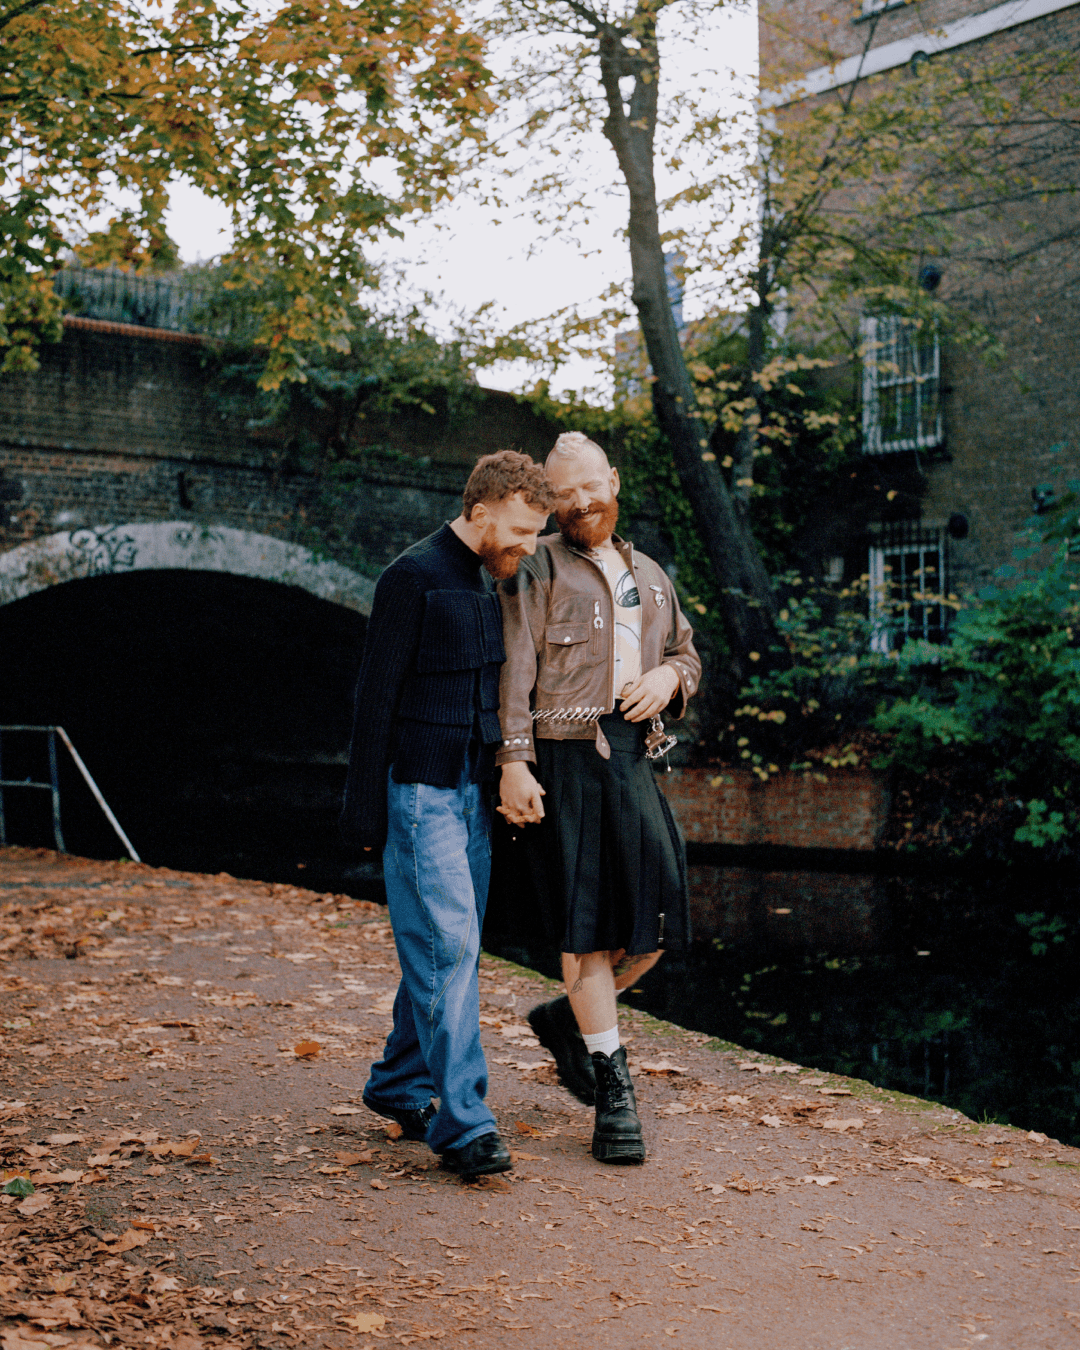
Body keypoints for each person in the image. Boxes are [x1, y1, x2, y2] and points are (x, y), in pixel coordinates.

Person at [340, 451, 556, 1182]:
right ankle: (465, 1125)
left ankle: (399, 1084)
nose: (529, 546)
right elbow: (374, 698)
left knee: (444, 949)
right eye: (522, 531)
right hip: (419, 794)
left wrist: (503, 772)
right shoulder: (409, 578)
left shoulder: (486, 578)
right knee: (450, 949)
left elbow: (487, 693)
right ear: (480, 512)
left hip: (470, 798)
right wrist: (363, 808)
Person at [496, 431, 701, 1165]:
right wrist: (515, 761)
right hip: (564, 761)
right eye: (566, 494)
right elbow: (514, 670)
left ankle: (565, 1017)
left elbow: (686, 652)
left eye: (591, 486)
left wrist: (669, 681)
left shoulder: (650, 572)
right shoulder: (537, 567)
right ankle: (615, 1095)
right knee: (584, 932)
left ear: (613, 480)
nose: (582, 502)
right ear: (551, 502)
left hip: (633, 765)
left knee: (657, 921)